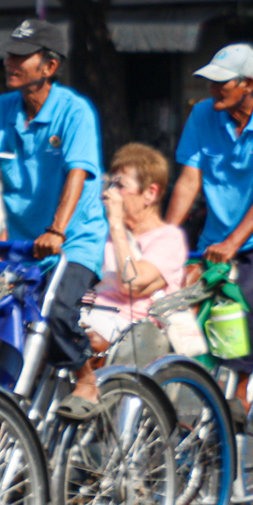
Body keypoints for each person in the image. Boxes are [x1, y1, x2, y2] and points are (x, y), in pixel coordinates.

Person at [0, 19, 108, 422]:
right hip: (25, 243)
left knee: (56, 312)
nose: (11, 62)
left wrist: (57, 229)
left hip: (74, 239)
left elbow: (77, 173)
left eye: (21, 56)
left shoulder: (75, 112)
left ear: (49, 67)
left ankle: (86, 377)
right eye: (9, 55)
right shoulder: (2, 109)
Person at [164, 44, 253, 405]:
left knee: (243, 293)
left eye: (221, 83)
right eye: (210, 83)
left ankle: (240, 389)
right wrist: (164, 236)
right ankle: (173, 395)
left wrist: (233, 244)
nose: (213, 90)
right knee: (175, 300)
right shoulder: (202, 116)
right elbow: (188, 182)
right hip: (217, 236)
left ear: (248, 84)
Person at [83, 144, 190, 354]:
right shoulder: (104, 231)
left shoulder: (168, 238)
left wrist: (115, 223)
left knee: (69, 338)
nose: (111, 193)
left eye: (120, 185)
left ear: (150, 193)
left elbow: (131, 284)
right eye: (110, 184)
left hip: (130, 327)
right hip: (87, 311)